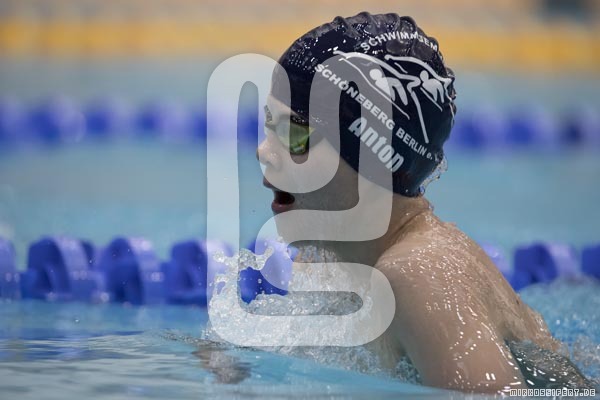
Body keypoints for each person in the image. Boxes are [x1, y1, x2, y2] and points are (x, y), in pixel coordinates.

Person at [257, 12, 593, 394]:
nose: (263, 151)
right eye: (268, 126)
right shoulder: (332, 258)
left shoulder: (419, 274)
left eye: (293, 133)